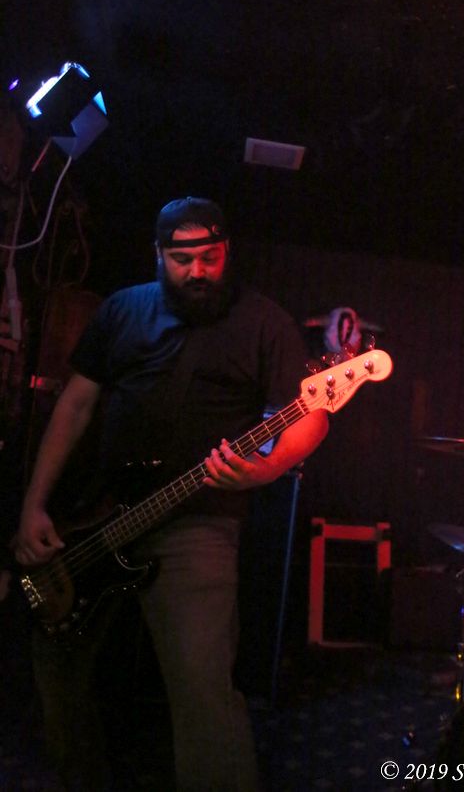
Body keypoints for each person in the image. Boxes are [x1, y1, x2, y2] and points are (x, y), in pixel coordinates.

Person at [14, 196, 329, 792]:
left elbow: (310, 416)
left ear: (227, 251)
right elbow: (75, 405)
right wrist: (34, 504)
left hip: (197, 521)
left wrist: (264, 470)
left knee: (202, 689)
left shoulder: (264, 322)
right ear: (158, 255)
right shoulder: (122, 310)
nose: (198, 271)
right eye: (183, 259)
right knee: (59, 668)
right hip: (98, 514)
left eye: (211, 257)